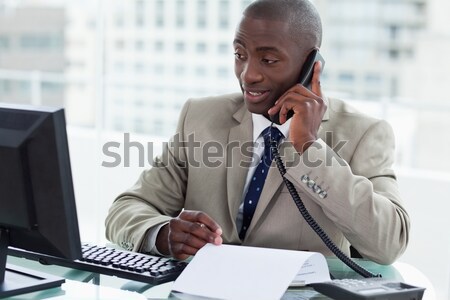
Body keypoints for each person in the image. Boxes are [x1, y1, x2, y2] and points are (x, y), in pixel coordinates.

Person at [105, 0, 410, 265]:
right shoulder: (199, 117)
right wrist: (161, 233)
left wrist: (307, 147)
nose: (248, 74)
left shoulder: (363, 133)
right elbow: (126, 209)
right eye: (240, 54)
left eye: (268, 60)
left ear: (311, 64)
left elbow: (389, 243)